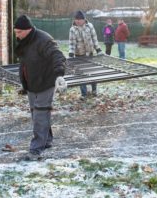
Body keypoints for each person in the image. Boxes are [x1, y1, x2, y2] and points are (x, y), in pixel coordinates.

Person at [14, 15, 66, 161]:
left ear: (28, 30)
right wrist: (23, 82)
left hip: (46, 81)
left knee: (40, 114)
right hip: (32, 83)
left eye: (19, 32)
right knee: (35, 113)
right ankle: (47, 139)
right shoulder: (24, 40)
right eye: (15, 32)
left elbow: (58, 55)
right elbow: (25, 62)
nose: (16, 35)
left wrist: (59, 74)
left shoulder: (44, 40)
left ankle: (36, 149)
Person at [69, 10, 103, 100]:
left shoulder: (90, 26)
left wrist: (98, 49)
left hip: (90, 53)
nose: (78, 21)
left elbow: (94, 38)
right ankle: (84, 94)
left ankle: (94, 90)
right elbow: (72, 43)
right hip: (79, 54)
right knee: (80, 74)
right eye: (76, 19)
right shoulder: (72, 29)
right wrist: (71, 53)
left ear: (84, 19)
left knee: (92, 73)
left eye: (80, 19)